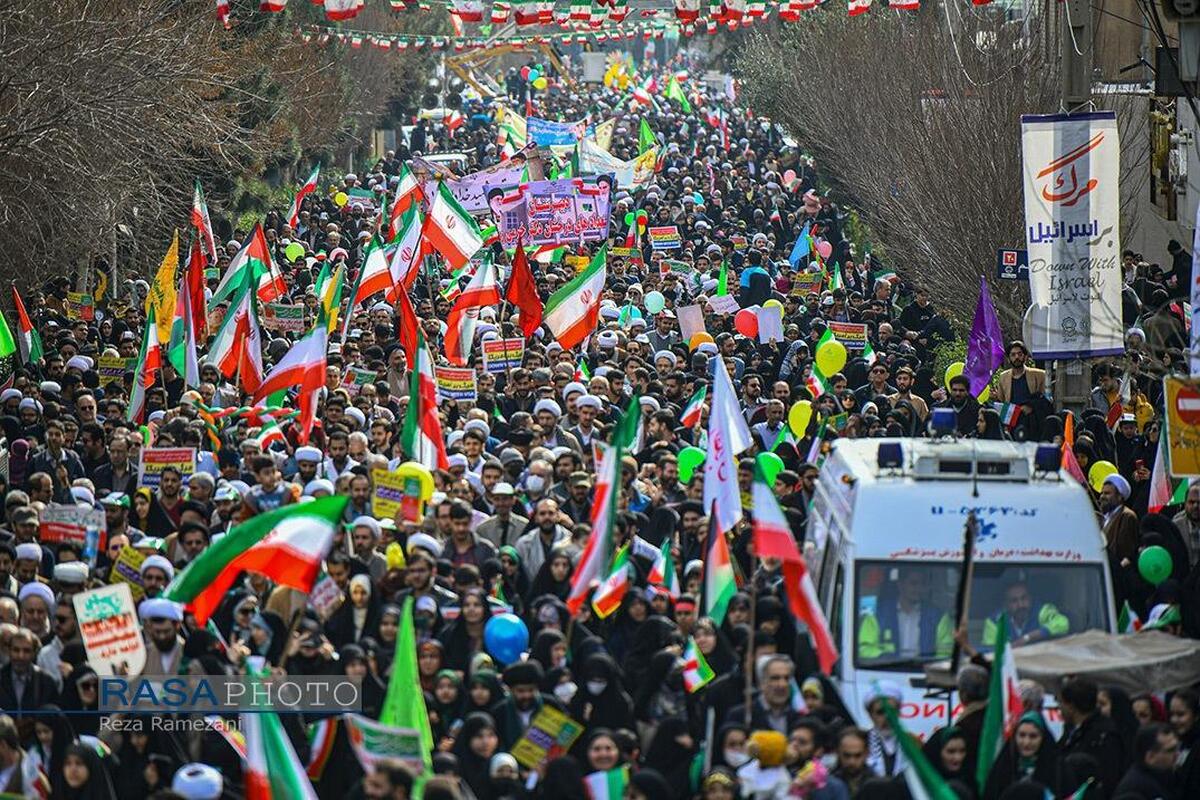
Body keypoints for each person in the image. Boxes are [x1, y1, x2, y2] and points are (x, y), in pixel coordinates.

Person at [857, 567, 953, 662]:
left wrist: (932, 664)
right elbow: (863, 648)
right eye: (913, 583)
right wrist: (884, 658)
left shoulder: (939, 617)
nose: (919, 589)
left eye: (922, 584)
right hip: (887, 669)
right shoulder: (877, 615)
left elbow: (946, 652)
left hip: (925, 670)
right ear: (900, 585)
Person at [982, 580, 1069, 647]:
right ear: (1006, 605)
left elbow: (1063, 623)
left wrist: (1028, 637)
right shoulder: (995, 621)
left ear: (1030, 598)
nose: (1021, 605)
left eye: (1024, 598)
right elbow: (991, 652)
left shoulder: (1041, 611)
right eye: (1014, 601)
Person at [1113, 723, 1180, 800]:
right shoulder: (1132, 793)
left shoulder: (1168, 777)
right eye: (1170, 750)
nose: (1177, 754)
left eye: (1177, 748)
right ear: (1150, 757)